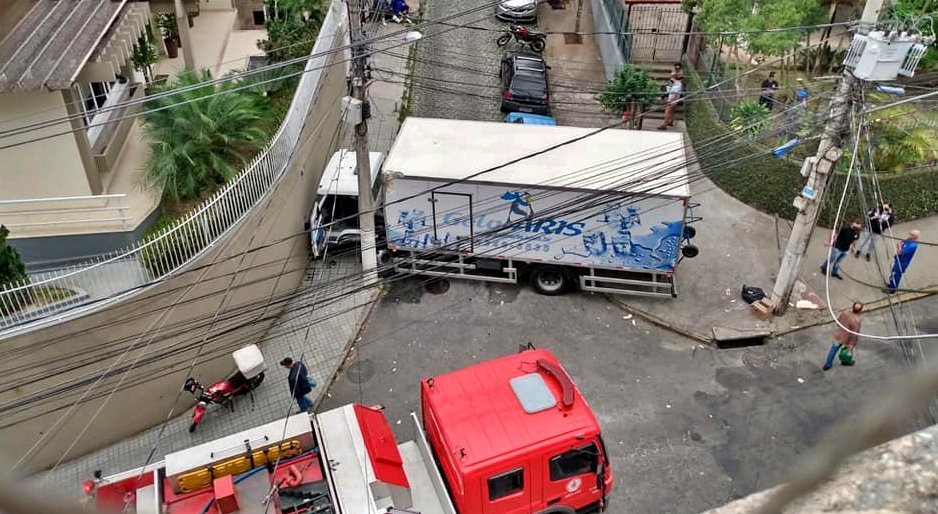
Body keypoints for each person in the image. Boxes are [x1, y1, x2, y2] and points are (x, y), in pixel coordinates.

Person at [823, 302, 863, 371]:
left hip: (839, 336)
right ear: (860, 310)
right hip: (848, 339)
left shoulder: (845, 313)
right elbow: (854, 334)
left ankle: (827, 365)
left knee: (832, 351)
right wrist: (852, 344)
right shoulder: (856, 320)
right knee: (847, 352)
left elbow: (838, 322)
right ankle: (845, 361)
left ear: (852, 307)